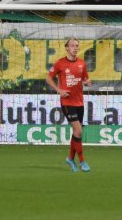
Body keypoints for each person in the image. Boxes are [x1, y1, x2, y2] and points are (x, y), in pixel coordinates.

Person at [46, 38, 92, 173]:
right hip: (67, 102)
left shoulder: (82, 64)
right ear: (67, 48)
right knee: (78, 131)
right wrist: (59, 90)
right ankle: (82, 161)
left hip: (79, 102)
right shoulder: (60, 63)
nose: (75, 48)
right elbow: (48, 78)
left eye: (77, 46)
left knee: (76, 133)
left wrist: (87, 82)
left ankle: (70, 158)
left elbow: (85, 79)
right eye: (72, 46)